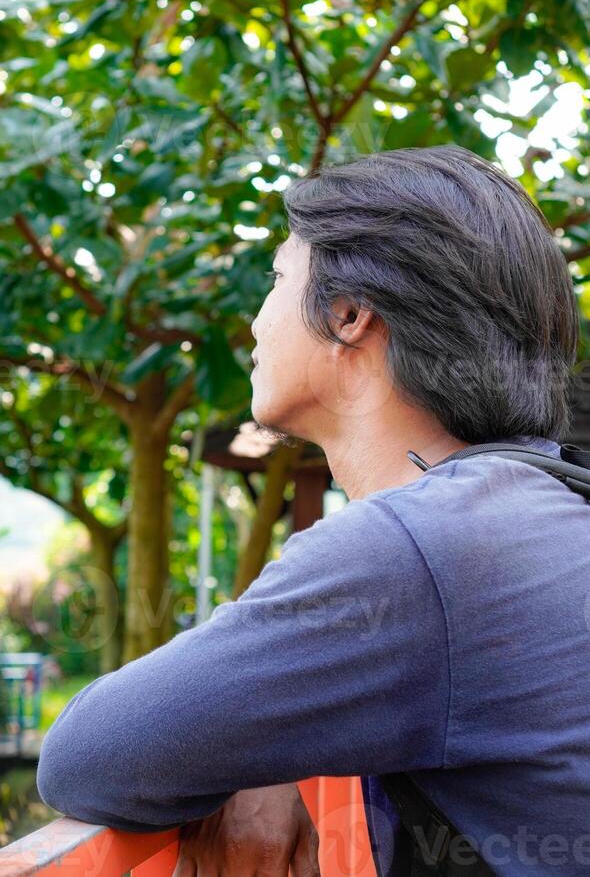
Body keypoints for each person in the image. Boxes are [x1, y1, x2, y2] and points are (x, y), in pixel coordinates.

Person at [36, 144, 590, 876]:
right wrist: (275, 741)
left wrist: (249, 748)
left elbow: (86, 759)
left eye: (276, 278)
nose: (258, 322)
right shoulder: (544, 504)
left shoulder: (417, 547)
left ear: (349, 313)